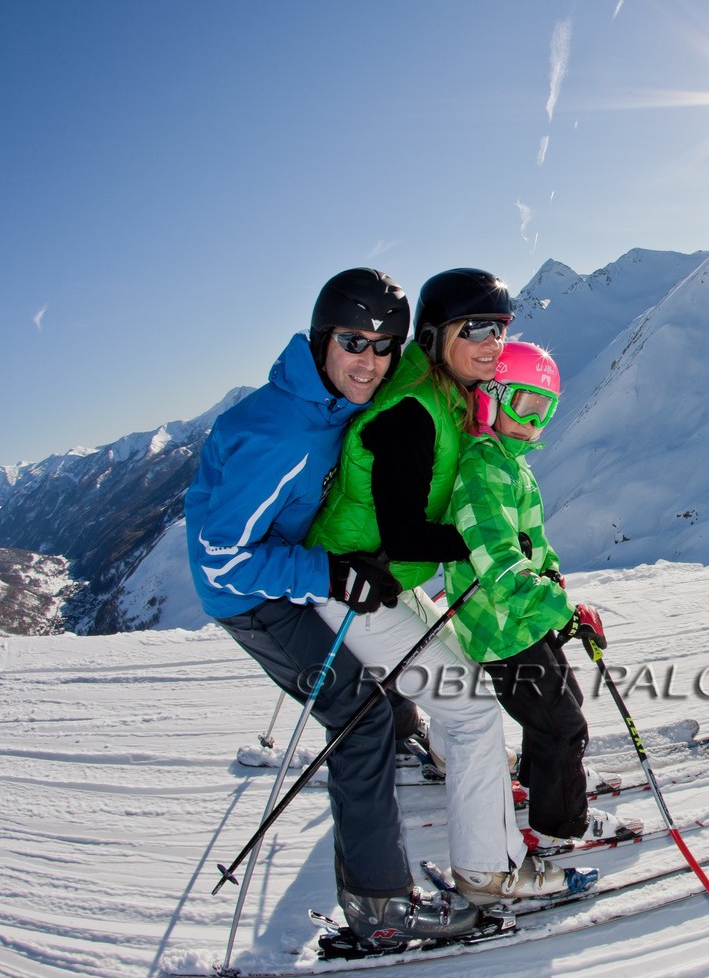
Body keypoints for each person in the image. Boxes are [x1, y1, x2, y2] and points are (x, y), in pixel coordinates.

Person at [183, 268, 482, 945]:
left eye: (385, 346)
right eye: (354, 342)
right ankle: (379, 907)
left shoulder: (331, 395)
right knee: (358, 712)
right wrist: (328, 572)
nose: (370, 362)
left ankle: (402, 744)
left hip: (300, 562)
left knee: (377, 660)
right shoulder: (278, 434)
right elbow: (222, 556)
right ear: (323, 339)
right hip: (250, 595)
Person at [304, 268, 590, 904]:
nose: (494, 342)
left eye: (503, 328)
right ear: (436, 335)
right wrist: (490, 548)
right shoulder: (411, 412)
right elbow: (405, 535)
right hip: (351, 587)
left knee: (463, 679)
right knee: (474, 713)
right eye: (478, 329)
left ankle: (460, 772)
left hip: (380, 581)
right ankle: (489, 874)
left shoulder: (438, 387)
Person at [443, 341, 635, 855]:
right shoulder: (482, 472)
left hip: (523, 617)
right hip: (499, 626)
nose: (533, 423)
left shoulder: (512, 463)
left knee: (562, 702)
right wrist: (562, 609)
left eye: (544, 411)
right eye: (524, 406)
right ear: (490, 397)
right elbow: (502, 570)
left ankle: (539, 779)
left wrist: (554, 588)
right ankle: (559, 826)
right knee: (563, 726)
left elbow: (534, 545)